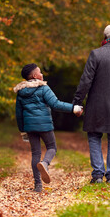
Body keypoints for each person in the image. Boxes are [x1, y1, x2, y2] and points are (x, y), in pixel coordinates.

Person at [72, 25, 110, 184]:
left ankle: (98, 174)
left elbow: (85, 81)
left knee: (94, 136)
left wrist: (77, 102)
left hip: (96, 103)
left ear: (105, 36)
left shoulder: (96, 54)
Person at [14, 63, 83, 192]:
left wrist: (22, 130)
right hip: (44, 124)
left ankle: (38, 185)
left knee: (35, 153)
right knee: (52, 147)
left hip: (29, 127)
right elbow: (55, 104)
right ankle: (45, 163)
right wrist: (74, 108)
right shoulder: (43, 88)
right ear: (35, 75)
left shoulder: (21, 92)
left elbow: (18, 113)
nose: (42, 74)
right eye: (40, 72)